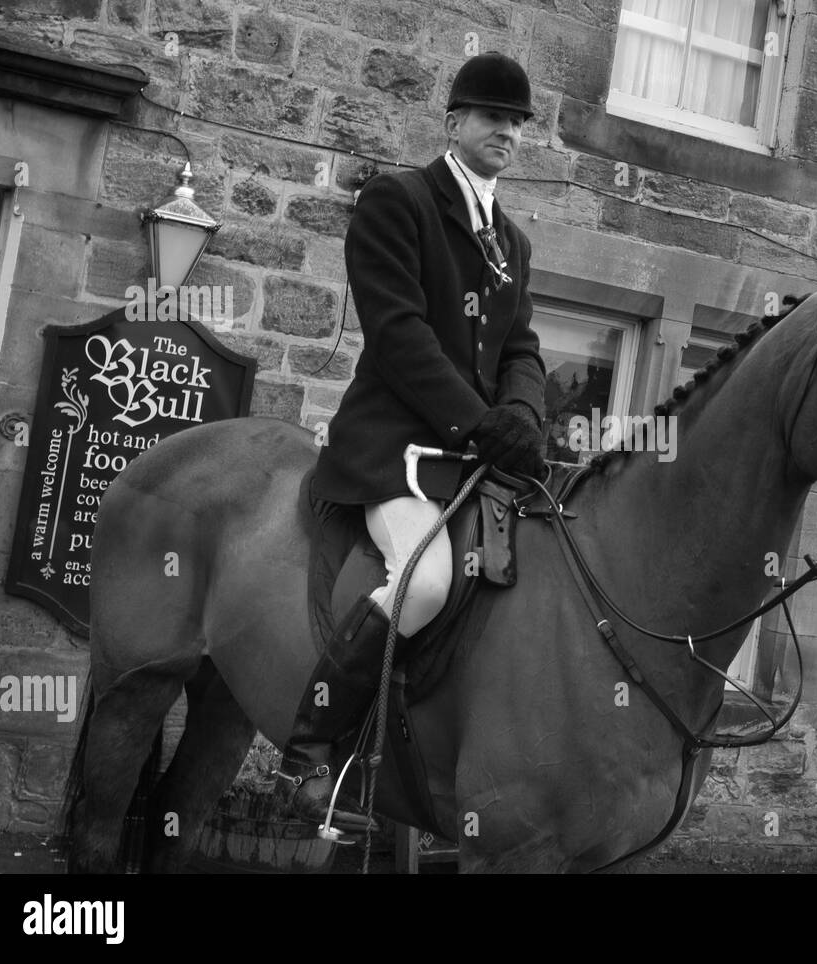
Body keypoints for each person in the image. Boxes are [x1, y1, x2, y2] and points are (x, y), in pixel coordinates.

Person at [273, 51, 548, 830]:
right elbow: (398, 333)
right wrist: (477, 420)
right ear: (454, 122)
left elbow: (522, 346)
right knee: (425, 584)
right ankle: (308, 749)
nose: (507, 131)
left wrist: (522, 413)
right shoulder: (399, 202)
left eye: (517, 122)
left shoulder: (513, 242)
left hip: (475, 460)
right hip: (395, 451)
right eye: (492, 116)